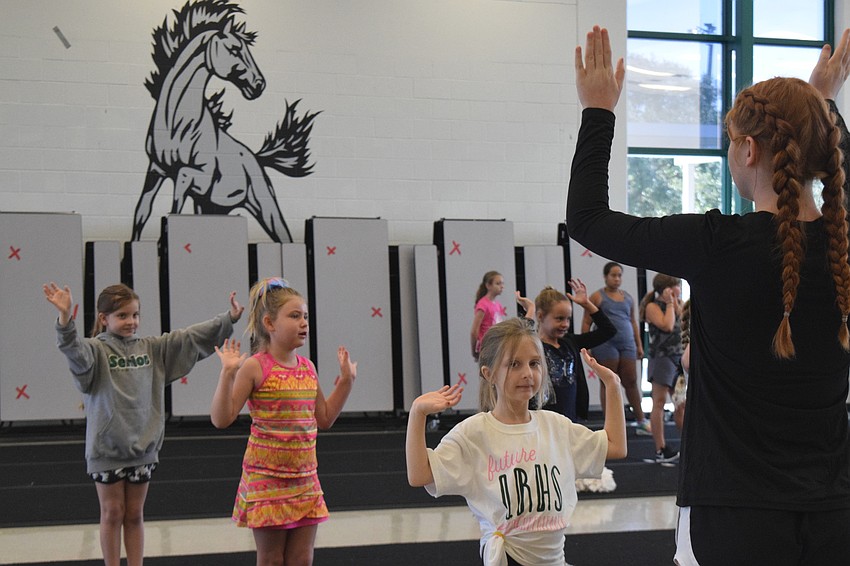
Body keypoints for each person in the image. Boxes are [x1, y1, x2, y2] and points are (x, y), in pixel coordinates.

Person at [568, 24, 850, 565]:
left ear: (747, 150)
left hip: (731, 513)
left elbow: (586, 218)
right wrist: (822, 107)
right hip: (831, 515)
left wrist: (598, 111)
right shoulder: (841, 249)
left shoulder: (718, 244)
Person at [43, 282, 242, 566]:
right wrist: (65, 319)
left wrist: (228, 319)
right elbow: (73, 350)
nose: (131, 321)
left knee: (135, 514)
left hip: (143, 449)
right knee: (112, 513)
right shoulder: (95, 352)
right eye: (122, 316)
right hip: (107, 450)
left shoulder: (152, 349)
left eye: (135, 315)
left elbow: (188, 338)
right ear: (104, 319)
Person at [406, 317, 627, 566]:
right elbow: (419, 474)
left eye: (534, 363)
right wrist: (417, 413)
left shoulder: (556, 426)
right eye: (514, 364)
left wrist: (613, 386)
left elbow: (616, 446)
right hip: (510, 558)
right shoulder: (474, 433)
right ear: (489, 374)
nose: (527, 374)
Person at [210, 277, 356, 566]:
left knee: (302, 558)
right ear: (269, 323)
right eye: (294, 316)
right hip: (267, 479)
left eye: (305, 316)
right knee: (272, 558)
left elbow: (324, 418)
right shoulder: (255, 366)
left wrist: (347, 382)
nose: (303, 323)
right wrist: (227, 374)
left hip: (304, 479)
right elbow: (222, 418)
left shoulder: (308, 367)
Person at [534, 278, 616, 421]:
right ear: (540, 316)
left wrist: (587, 304)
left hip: (571, 418)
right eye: (559, 319)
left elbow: (608, 331)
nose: (565, 324)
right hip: (542, 419)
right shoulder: (532, 347)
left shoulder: (570, 343)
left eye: (568, 319)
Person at [583, 261, 649, 434]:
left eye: (619, 275)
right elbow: (587, 322)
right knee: (608, 382)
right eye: (613, 275)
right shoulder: (597, 297)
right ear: (606, 277)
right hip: (605, 344)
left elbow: (633, 322)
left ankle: (641, 420)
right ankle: (609, 425)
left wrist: (639, 344)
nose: (617, 279)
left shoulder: (628, 297)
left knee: (631, 381)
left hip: (626, 343)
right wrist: (587, 344)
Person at [638, 274, 683, 464]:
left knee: (681, 402)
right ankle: (660, 448)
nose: (679, 290)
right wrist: (670, 304)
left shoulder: (677, 303)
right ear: (667, 289)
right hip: (661, 359)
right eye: (676, 286)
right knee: (659, 402)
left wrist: (674, 303)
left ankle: (688, 443)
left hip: (678, 358)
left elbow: (682, 321)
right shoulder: (652, 306)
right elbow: (667, 325)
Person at [471, 270, 506, 361]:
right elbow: (474, 331)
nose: (502, 286)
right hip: (488, 348)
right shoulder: (483, 305)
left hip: (498, 347)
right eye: (498, 284)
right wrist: (474, 351)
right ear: (488, 285)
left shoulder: (497, 305)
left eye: (502, 283)